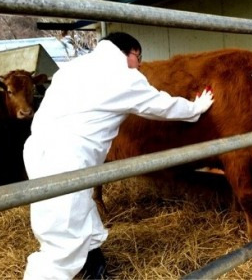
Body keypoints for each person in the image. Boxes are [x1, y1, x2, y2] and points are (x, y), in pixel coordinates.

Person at [23, 32, 214, 280]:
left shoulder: (73, 68)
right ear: (129, 52)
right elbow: (159, 105)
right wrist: (195, 108)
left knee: (80, 215)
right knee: (61, 242)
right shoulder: (123, 76)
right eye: (139, 57)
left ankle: (97, 272)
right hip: (67, 161)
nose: (140, 64)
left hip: (38, 150)